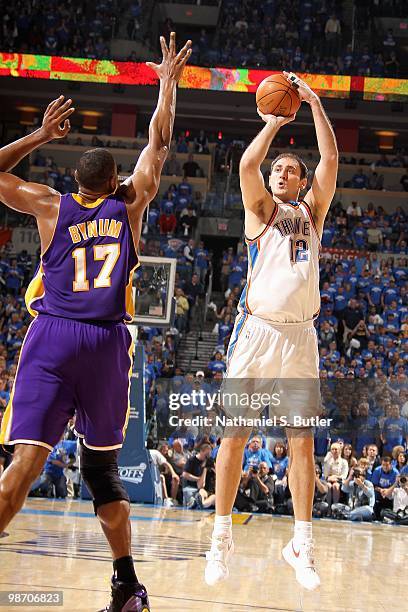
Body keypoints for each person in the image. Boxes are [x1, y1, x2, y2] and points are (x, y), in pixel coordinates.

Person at [0, 32, 191, 612]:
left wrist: (38, 134)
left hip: (52, 337)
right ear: (112, 184)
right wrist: (166, 83)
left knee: (25, 465)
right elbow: (158, 142)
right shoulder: (130, 203)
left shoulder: (50, 205)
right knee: (103, 472)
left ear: (77, 182)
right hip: (107, 344)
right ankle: (126, 585)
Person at [205, 71, 338, 591]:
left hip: (301, 337)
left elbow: (330, 160)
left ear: (301, 183)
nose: (281, 172)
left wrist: (315, 104)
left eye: (290, 170)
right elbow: (246, 164)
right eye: (278, 168)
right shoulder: (260, 212)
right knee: (234, 435)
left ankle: (301, 543)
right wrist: (274, 123)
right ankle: (221, 538)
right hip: (256, 335)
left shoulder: (312, 212)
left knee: (301, 441)